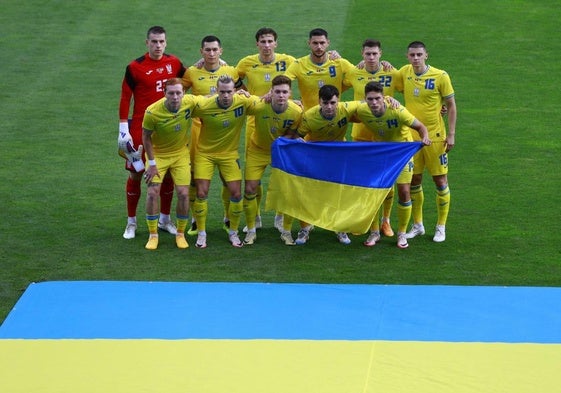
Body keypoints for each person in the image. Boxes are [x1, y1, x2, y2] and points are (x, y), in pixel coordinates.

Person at [118, 25, 185, 240]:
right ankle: (131, 223)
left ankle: (165, 220)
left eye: (161, 42)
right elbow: (125, 97)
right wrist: (123, 130)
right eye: (154, 42)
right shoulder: (135, 67)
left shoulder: (174, 63)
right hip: (140, 128)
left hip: (166, 131)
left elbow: (190, 80)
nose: (158, 45)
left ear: (166, 42)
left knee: (166, 177)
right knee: (136, 173)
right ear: (147, 43)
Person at [352, 81, 431, 248]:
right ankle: (374, 233)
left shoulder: (397, 110)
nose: (373, 103)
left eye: (377, 98)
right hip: (381, 154)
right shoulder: (362, 110)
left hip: (402, 153)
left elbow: (420, 127)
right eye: (370, 99)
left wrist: (424, 137)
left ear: (383, 98)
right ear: (365, 99)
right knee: (375, 192)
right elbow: (341, 111)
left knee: (404, 191)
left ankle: (401, 233)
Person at [236, 27, 296, 232]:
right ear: (257, 44)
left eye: (270, 41)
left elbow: (305, 70)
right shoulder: (246, 63)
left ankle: (280, 215)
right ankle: (257, 216)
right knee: (254, 174)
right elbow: (231, 78)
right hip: (256, 122)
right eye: (263, 41)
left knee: (281, 174)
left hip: (282, 121)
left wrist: (334, 55)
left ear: (276, 43)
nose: (267, 45)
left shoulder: (288, 61)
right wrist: (249, 95)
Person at [182, 35, 242, 236]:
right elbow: (179, 95)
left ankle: (227, 218)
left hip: (223, 134)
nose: (211, 53)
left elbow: (243, 93)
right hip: (198, 132)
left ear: (221, 51)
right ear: (201, 52)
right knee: (194, 180)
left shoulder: (230, 71)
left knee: (228, 179)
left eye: (215, 49)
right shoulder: (192, 72)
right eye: (207, 50)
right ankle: (195, 221)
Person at [396, 41, 456, 242]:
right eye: (412, 55)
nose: (415, 58)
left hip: (436, 137)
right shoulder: (404, 72)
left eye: (419, 55)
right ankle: (418, 225)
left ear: (426, 55)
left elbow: (451, 105)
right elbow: (384, 79)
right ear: (407, 56)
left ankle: (441, 226)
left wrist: (452, 134)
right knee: (415, 180)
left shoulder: (441, 76)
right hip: (412, 139)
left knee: (440, 181)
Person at [287, 84, 360, 245]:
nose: (329, 107)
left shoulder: (346, 108)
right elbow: (298, 136)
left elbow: (368, 103)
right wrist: (297, 141)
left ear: (338, 101)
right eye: (325, 103)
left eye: (332, 103)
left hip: (338, 155)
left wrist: (388, 99)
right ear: (319, 101)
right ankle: (305, 228)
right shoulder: (309, 116)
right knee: (307, 193)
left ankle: (340, 228)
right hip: (315, 158)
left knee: (339, 192)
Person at [343, 39, 401, 238]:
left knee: (386, 181)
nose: (371, 57)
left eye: (374, 54)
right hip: (360, 135)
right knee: (361, 181)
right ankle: (363, 220)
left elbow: (411, 92)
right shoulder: (353, 73)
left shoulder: (392, 73)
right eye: (367, 54)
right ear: (362, 54)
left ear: (381, 54)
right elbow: (334, 90)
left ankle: (385, 221)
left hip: (385, 137)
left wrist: (440, 108)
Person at [191, 75, 255, 248]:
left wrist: (293, 102)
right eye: (222, 92)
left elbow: (267, 101)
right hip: (205, 154)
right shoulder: (204, 105)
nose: (226, 96)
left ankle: (233, 232)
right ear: (216, 91)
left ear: (234, 91)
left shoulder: (242, 101)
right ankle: (202, 234)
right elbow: (181, 105)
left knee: (236, 193)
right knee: (202, 193)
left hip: (229, 154)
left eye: (229, 92)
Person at [241, 75, 303, 245]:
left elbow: (294, 132)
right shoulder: (259, 105)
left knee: (287, 189)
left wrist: (286, 139)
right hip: (257, 151)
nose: (281, 95)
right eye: (277, 92)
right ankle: (252, 228)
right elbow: (236, 103)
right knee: (250, 188)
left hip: (280, 152)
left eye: (284, 92)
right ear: (271, 92)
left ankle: (286, 229)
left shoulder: (296, 111)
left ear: (290, 93)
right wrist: (240, 93)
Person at [141, 79, 199, 250]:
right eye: (171, 93)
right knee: (152, 192)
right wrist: (151, 164)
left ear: (184, 93)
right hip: (158, 155)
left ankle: (180, 234)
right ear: (164, 93)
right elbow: (145, 137)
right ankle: (153, 235)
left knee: (183, 193)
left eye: (178, 93)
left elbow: (212, 99)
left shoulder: (189, 102)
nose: (175, 97)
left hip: (180, 154)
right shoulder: (152, 112)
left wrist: (238, 93)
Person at [284, 28, 354, 111]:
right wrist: (290, 101)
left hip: (333, 115)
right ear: (309, 43)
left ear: (328, 43)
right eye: (315, 43)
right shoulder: (299, 64)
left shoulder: (339, 62)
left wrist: (364, 63)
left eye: (322, 43)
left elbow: (358, 74)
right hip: (308, 117)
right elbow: (282, 82)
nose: (319, 47)